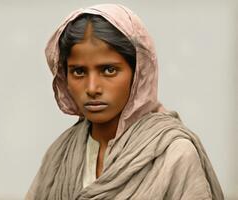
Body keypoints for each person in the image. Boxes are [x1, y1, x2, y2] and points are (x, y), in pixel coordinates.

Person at [26, 4, 224, 200]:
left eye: (108, 70)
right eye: (79, 72)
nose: (92, 88)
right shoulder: (61, 156)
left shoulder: (173, 154)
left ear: (138, 73)